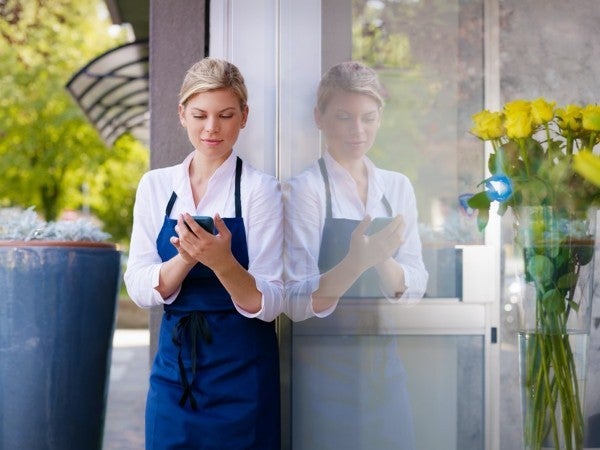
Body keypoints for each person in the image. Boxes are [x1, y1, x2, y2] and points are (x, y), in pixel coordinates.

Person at [124, 57, 283, 450]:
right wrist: (186, 258)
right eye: (200, 115)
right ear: (181, 114)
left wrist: (222, 262)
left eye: (226, 115)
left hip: (243, 369)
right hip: (175, 370)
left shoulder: (261, 191)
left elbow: (271, 300)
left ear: (244, 116)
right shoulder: (155, 186)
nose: (212, 128)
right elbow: (139, 286)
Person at [284, 61, 428, 449]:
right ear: (320, 118)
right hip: (324, 367)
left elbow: (411, 289)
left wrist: (380, 257)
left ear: (381, 117)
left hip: (384, 364)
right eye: (344, 117)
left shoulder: (397, 187)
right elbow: (298, 300)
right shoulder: (307, 189)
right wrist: (359, 261)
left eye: (368, 117)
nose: (357, 130)